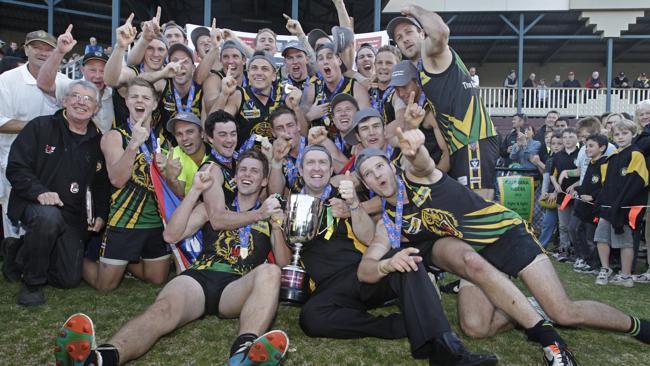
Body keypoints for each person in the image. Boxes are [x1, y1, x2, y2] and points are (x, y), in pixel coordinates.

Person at [356, 107, 650, 364]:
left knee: (564, 313)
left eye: (379, 166)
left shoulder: (415, 176)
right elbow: (368, 266)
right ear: (367, 184)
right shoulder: (391, 223)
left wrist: (416, 147)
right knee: (475, 329)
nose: (377, 175)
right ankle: (527, 307)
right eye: (368, 174)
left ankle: (638, 326)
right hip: (474, 258)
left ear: (391, 166)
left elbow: (423, 162)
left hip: (505, 236)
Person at [54, 150, 291, 366]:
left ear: (263, 181)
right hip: (199, 278)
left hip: (237, 285)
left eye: (254, 171)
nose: (247, 174)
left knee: (270, 272)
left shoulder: (269, 214)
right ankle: (99, 358)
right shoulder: (213, 209)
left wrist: (277, 226)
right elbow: (171, 234)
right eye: (243, 170)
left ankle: (244, 354)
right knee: (161, 311)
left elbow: (282, 264)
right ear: (235, 177)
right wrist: (196, 191)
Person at [295, 145, 498, 366]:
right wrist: (278, 226)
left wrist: (353, 205)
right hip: (328, 289)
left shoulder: (343, 196)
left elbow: (369, 238)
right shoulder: (291, 205)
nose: (317, 168)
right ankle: (401, 325)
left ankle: (447, 349)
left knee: (404, 258)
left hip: (359, 274)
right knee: (310, 318)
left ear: (330, 169)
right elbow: (286, 256)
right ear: (300, 169)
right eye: (310, 163)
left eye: (322, 162)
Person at [4, 80, 109, 305]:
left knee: (68, 279)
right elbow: (16, 166)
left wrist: (100, 213)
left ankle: (20, 252)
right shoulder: (40, 127)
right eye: (75, 96)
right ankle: (32, 284)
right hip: (35, 205)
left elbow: (101, 184)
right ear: (64, 101)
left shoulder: (99, 141)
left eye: (89, 99)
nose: (81, 103)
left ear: (97, 109)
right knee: (47, 217)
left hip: (73, 216)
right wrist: (39, 192)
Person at [390, 6, 500, 200]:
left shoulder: (432, 54)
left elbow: (441, 33)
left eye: (409, 32)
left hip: (473, 140)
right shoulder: (423, 70)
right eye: (399, 37)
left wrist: (415, 10)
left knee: (479, 210)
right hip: (460, 147)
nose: (404, 39)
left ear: (422, 33)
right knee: (469, 213)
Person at [85, 78, 173, 291]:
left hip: (154, 222)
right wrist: (133, 144)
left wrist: (170, 172)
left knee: (157, 279)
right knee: (105, 286)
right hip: (124, 220)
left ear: (154, 104)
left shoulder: (164, 141)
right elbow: (117, 179)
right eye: (134, 96)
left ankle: (124, 263)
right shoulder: (115, 136)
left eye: (145, 97)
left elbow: (170, 186)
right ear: (126, 102)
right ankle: (74, 257)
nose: (139, 101)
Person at [0, 29, 63, 241]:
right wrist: (36, 127)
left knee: (46, 207)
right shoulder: (7, 80)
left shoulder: (62, 81)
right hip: (14, 157)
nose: (43, 53)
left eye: (49, 49)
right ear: (26, 49)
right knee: (12, 207)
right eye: (37, 47)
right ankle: (12, 255)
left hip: (51, 160)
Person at [595, 119, 649, 287]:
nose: (620, 137)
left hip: (625, 208)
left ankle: (626, 276)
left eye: (624, 133)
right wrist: (603, 202)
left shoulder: (636, 155)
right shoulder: (611, 157)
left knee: (625, 241)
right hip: (608, 208)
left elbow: (638, 182)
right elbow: (605, 184)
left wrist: (620, 204)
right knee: (601, 237)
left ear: (633, 134)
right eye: (617, 134)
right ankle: (605, 269)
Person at [37, 25, 115, 133]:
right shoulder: (70, 87)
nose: (98, 75)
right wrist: (59, 52)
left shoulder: (113, 93)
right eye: (92, 70)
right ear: (82, 70)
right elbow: (43, 84)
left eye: (103, 71)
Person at [571, 133, 608, 275]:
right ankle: (584, 258)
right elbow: (586, 184)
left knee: (591, 237)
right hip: (582, 206)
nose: (587, 149)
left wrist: (593, 196)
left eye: (591, 146)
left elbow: (605, 186)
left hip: (593, 208)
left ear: (602, 147)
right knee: (574, 229)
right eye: (586, 146)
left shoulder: (605, 164)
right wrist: (577, 190)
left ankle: (593, 264)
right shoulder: (590, 162)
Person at [155, 111, 209, 197]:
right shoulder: (175, 154)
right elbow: (180, 194)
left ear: (202, 133)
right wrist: (171, 178)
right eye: (179, 134)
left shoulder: (216, 152)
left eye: (190, 132)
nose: (184, 138)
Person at [549, 127, 580, 260]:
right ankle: (564, 249)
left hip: (576, 195)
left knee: (575, 225)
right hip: (561, 196)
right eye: (565, 137)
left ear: (577, 138)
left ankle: (575, 250)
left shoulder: (581, 154)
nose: (567, 140)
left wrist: (575, 186)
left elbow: (583, 174)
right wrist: (556, 185)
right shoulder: (558, 155)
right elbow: (552, 174)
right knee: (563, 225)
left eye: (571, 137)